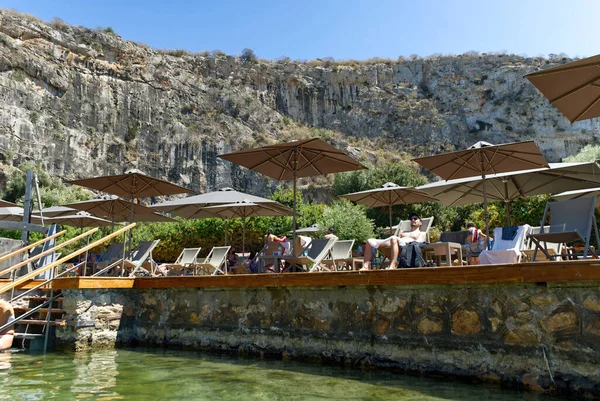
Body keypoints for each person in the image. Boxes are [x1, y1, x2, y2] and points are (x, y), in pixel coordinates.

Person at [361, 214, 427, 270]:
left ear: (420, 223)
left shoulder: (422, 233)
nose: (413, 220)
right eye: (411, 219)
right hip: (394, 242)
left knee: (394, 238)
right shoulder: (403, 232)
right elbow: (397, 240)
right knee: (369, 241)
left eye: (415, 219)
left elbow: (420, 243)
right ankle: (365, 266)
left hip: (406, 245)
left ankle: (393, 264)